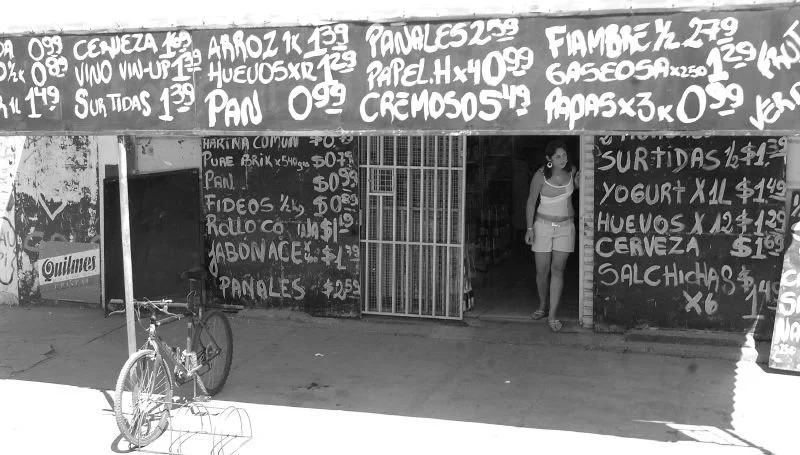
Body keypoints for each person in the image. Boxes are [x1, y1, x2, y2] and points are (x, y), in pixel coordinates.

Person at [524, 140, 579, 332]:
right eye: (557, 156)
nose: (562, 159)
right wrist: (529, 229)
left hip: (565, 227)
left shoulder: (572, 171)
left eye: (564, 155)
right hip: (543, 227)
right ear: (549, 158)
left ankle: (553, 314)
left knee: (558, 270)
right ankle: (542, 306)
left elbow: (574, 190)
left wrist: (579, 184)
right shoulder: (540, 176)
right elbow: (531, 202)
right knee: (542, 271)